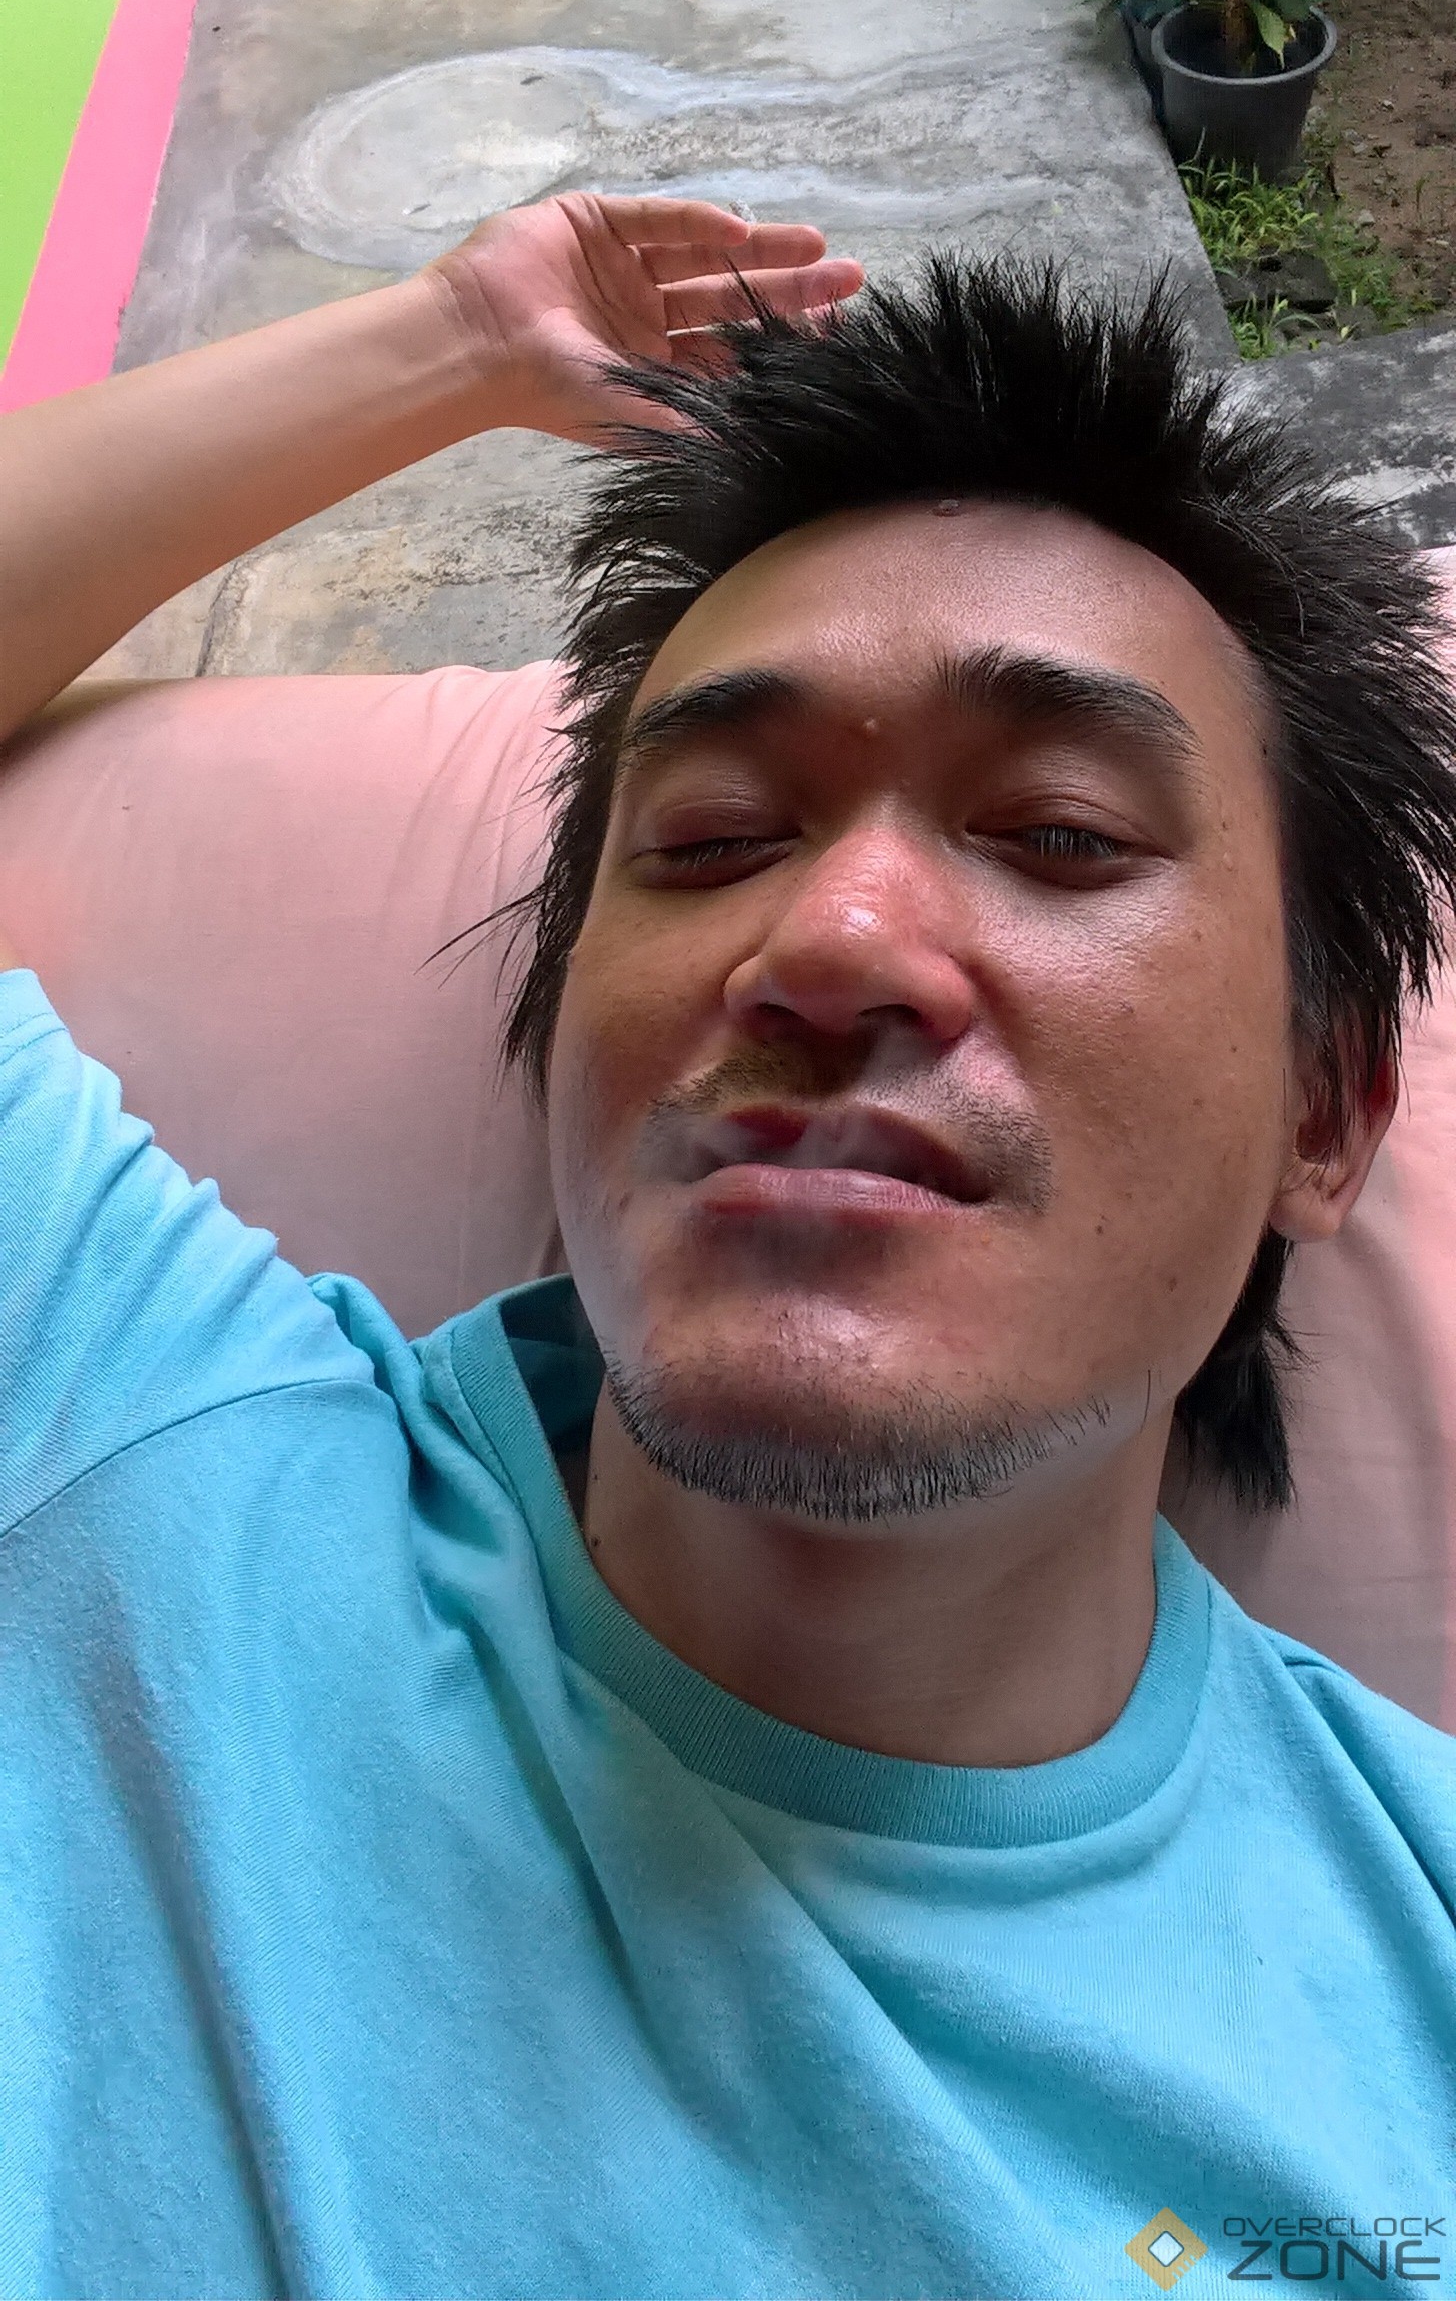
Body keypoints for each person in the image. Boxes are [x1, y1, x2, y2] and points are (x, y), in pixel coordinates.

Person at [1, 191, 1453, 2301]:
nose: (832, 940)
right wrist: (449, 341)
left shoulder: (1415, 1962)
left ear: (1321, 1110)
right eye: (710, 841)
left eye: (1057, 833)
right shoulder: (134, 1428)